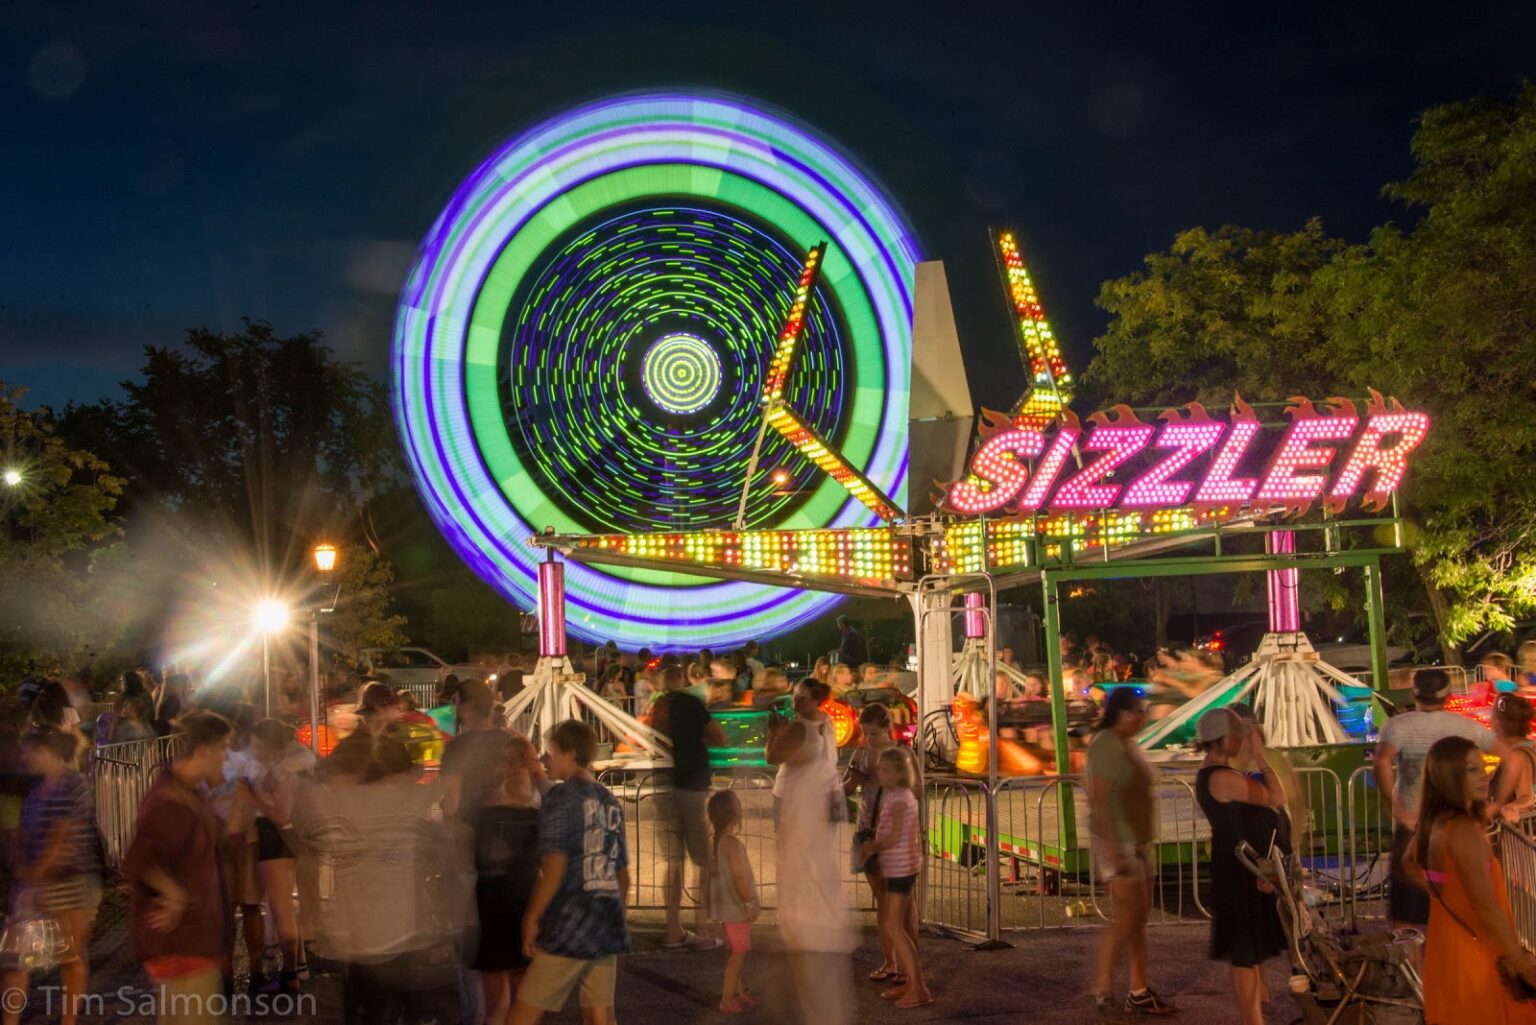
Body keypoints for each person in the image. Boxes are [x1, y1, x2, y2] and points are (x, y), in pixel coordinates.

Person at [508, 720, 629, 1025]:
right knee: (600, 1013)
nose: (545, 758)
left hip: (570, 921)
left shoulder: (562, 798)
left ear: (569, 753)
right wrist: (616, 915)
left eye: (551, 751)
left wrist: (532, 917)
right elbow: (622, 873)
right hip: (605, 918)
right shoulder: (609, 800)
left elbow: (555, 866)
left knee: (523, 1013)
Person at [1408, 735, 1536, 1023]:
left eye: (1483, 767)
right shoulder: (1464, 831)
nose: (1485, 776)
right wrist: (1523, 966)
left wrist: (1444, 891)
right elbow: (1487, 910)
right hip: (1478, 959)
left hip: (1446, 951)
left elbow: (1409, 863)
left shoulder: (1433, 823)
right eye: (1472, 770)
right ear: (1449, 776)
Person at [122, 711, 235, 1023]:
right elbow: (136, 859)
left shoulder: (187, 792)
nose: (227, 758)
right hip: (183, 947)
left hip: (193, 944)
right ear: (203, 751)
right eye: (223, 749)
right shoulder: (169, 801)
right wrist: (174, 895)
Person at [1374, 667, 1500, 928]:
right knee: (1456, 900)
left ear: (1414, 693)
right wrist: (1494, 804)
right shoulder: (1466, 727)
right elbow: (1511, 758)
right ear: (1448, 695)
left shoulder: (1397, 726)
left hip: (1413, 823)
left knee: (1406, 911)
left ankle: (1411, 966)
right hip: (1454, 824)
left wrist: (1396, 807)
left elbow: (1381, 763)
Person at [2, 728, 104, 1025]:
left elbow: (62, 837)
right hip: (35, 884)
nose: (24, 758)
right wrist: (22, 868)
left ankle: (68, 1020)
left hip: (72, 882)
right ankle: (10, 1020)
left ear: (47, 752)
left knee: (70, 957)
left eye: (29, 751)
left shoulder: (75, 785)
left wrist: (32, 878)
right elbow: (22, 832)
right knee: (15, 959)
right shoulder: (35, 788)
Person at [766, 679, 852, 1025]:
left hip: (797, 802)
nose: (796, 702)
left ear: (815, 699)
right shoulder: (825, 727)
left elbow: (771, 756)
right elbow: (830, 764)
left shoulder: (800, 730)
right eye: (795, 697)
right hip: (817, 800)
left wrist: (773, 732)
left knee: (798, 863)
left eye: (801, 698)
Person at [1195, 708, 1287, 1025]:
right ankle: (1253, 1019)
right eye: (1235, 735)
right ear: (1221, 739)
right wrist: (1261, 757)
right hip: (1238, 871)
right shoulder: (1219, 778)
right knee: (1244, 953)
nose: (1239, 740)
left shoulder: (1221, 774)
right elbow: (1277, 795)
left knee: (1249, 950)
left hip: (1241, 866)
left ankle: (1256, 1013)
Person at [1084, 689, 1172, 1016]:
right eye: (1137, 711)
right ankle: (1104, 986)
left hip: (1136, 841)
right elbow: (1099, 799)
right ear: (1120, 713)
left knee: (1136, 918)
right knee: (1127, 918)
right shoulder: (1106, 745)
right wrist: (1113, 850)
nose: (1142, 717)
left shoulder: (1127, 744)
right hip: (1118, 841)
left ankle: (1138, 987)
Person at [470, 734, 543, 1025]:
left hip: (491, 899)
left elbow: (472, 853)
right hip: (525, 896)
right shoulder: (540, 803)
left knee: (494, 1002)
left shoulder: (485, 803)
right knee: (523, 993)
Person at [652, 665, 725, 949]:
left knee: (673, 861)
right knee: (703, 861)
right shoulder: (690, 703)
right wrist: (699, 740)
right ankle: (703, 930)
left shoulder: (659, 705)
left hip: (665, 782)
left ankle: (673, 930)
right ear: (683, 678)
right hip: (692, 785)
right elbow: (717, 735)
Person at [843, 704, 917, 985]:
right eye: (865, 733)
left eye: (873, 734)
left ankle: (908, 967)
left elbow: (916, 789)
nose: (868, 739)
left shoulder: (902, 753)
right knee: (882, 902)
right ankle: (890, 962)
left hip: (894, 834)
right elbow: (844, 788)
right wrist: (856, 781)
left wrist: (888, 778)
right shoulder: (861, 752)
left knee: (902, 903)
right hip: (867, 830)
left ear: (886, 728)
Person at [857, 748, 931, 1009]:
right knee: (894, 925)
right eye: (880, 768)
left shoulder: (900, 798)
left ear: (900, 773)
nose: (881, 773)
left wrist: (872, 847)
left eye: (886, 769)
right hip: (901, 866)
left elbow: (896, 836)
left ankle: (918, 987)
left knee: (893, 926)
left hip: (901, 868)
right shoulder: (898, 795)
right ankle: (911, 983)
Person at [245, 718, 315, 996]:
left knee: (282, 910)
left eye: (258, 745)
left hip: (275, 839)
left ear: (270, 746)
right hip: (280, 839)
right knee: (283, 908)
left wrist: (250, 797)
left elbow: (281, 815)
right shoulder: (280, 768)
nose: (254, 749)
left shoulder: (278, 772)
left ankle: (289, 978)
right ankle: (296, 967)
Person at [705, 790, 759, 1014]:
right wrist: (750, 901)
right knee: (738, 954)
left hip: (726, 908)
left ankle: (740, 991)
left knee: (734, 951)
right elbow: (740, 877)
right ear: (735, 814)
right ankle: (727, 1000)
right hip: (737, 908)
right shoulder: (732, 844)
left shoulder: (716, 841)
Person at [1490, 693, 1536, 823]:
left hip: (1522, 828)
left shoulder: (1518, 755)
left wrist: (1511, 807)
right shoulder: (1529, 745)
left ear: (1498, 722)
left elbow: (1527, 797)